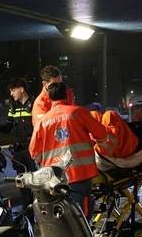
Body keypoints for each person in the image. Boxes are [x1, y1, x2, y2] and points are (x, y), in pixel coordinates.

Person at [29, 82, 107, 217]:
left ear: (50, 98)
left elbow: (34, 152)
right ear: (66, 95)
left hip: (55, 178)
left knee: (62, 217)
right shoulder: (78, 112)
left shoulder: (43, 121)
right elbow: (102, 134)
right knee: (81, 217)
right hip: (80, 174)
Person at [0, 77, 38, 209]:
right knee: (22, 182)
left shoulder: (35, 104)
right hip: (19, 150)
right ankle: (28, 210)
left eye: (13, 90)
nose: (11, 94)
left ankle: (41, 209)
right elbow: (8, 128)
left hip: (33, 149)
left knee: (38, 181)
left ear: (22, 89)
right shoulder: (13, 107)